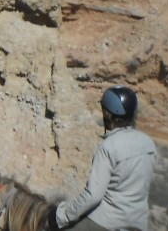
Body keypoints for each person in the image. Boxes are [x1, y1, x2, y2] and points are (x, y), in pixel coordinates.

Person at [50, 85, 157, 231]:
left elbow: (93, 195)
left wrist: (61, 217)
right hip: (138, 222)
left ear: (107, 114)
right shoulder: (148, 143)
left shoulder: (109, 146)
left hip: (106, 222)